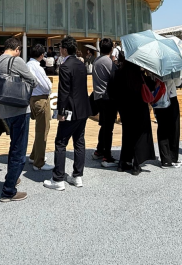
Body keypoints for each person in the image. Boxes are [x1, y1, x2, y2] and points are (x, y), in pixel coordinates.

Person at [44, 36, 91, 191]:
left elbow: (63, 92)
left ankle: (58, 178)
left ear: (64, 49)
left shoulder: (65, 67)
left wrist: (61, 112)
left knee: (61, 142)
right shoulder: (81, 64)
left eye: (60, 48)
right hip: (83, 108)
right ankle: (77, 176)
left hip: (70, 110)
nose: (60, 50)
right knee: (79, 141)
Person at [0, 38, 36, 202]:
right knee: (19, 150)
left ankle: (12, 177)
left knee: (14, 145)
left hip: (5, 110)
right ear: (17, 49)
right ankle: (8, 191)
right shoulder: (17, 61)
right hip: (19, 109)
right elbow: (33, 81)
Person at [110, 57, 156, 175]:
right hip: (139, 108)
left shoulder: (118, 73)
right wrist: (147, 72)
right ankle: (136, 164)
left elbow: (111, 91)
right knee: (139, 135)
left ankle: (123, 162)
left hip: (124, 109)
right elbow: (152, 86)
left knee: (127, 134)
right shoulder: (139, 74)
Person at [91, 38, 119, 167]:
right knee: (109, 128)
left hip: (98, 97)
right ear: (111, 49)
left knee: (104, 126)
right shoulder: (109, 62)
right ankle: (107, 157)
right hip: (108, 98)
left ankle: (99, 150)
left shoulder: (96, 60)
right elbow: (115, 78)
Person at [27, 44, 54, 171]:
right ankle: (39, 162)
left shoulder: (27, 65)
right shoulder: (37, 67)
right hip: (41, 99)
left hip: (32, 98)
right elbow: (47, 86)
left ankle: (34, 156)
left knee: (40, 129)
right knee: (42, 130)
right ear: (42, 55)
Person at [154, 73, 182, 167]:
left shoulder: (153, 68)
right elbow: (178, 82)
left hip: (159, 98)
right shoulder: (173, 68)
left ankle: (165, 159)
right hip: (171, 97)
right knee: (174, 128)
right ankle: (173, 157)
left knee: (162, 128)